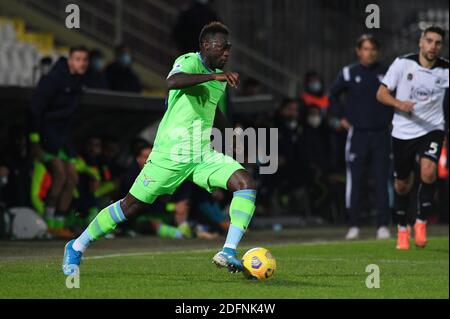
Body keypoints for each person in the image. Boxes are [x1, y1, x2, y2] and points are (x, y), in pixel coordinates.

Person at [63, 22, 257, 275]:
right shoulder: (189, 62)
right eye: (222, 48)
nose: (227, 53)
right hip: (170, 154)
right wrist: (213, 76)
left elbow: (213, 110)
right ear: (205, 46)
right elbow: (173, 81)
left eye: (228, 48)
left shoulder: (220, 78)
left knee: (245, 183)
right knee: (130, 207)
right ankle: (76, 246)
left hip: (201, 155)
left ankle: (228, 251)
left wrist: (231, 135)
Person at [376, 26, 448, 250]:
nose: (432, 46)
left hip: (432, 129)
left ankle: (420, 222)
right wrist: (399, 104)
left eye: (437, 43)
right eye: (429, 41)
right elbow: (381, 93)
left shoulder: (446, 69)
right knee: (402, 184)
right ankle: (402, 229)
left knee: (428, 171)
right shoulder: (402, 63)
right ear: (420, 42)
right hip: (403, 131)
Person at [329, 34, 393, 240]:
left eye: (373, 49)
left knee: (383, 180)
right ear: (359, 51)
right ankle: (354, 224)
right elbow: (332, 97)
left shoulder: (388, 72)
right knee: (355, 181)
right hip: (357, 135)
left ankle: (383, 225)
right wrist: (341, 118)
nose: (369, 52)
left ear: (378, 51)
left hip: (382, 134)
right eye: (365, 48)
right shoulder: (348, 73)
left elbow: (400, 96)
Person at [29, 46, 89, 238]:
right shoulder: (53, 79)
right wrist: (34, 140)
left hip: (63, 136)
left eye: (84, 60)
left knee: (73, 178)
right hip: (46, 133)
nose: (82, 63)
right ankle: (46, 224)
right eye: (78, 59)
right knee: (60, 175)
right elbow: (34, 109)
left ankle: (58, 222)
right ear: (70, 60)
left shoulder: (78, 83)